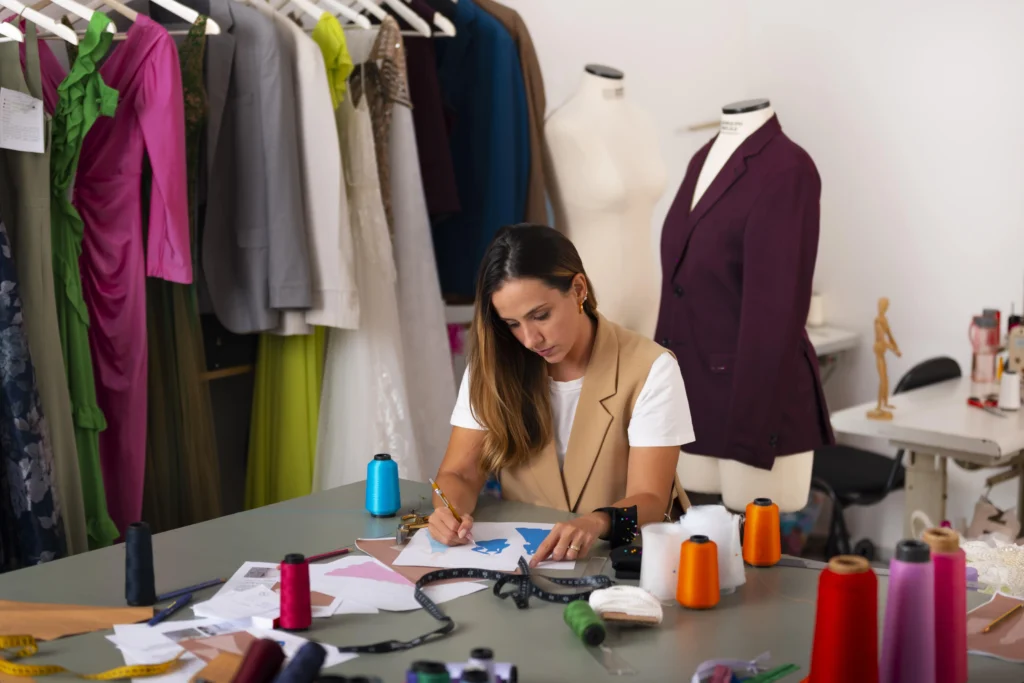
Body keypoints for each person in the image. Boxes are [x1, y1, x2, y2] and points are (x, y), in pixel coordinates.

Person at [428, 224, 695, 566]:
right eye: (512, 324)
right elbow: (460, 473)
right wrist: (448, 512)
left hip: (625, 558)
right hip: (528, 561)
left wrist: (595, 522)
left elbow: (652, 499)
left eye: (540, 316)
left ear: (578, 289)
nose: (530, 339)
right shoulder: (493, 367)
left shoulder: (651, 368)